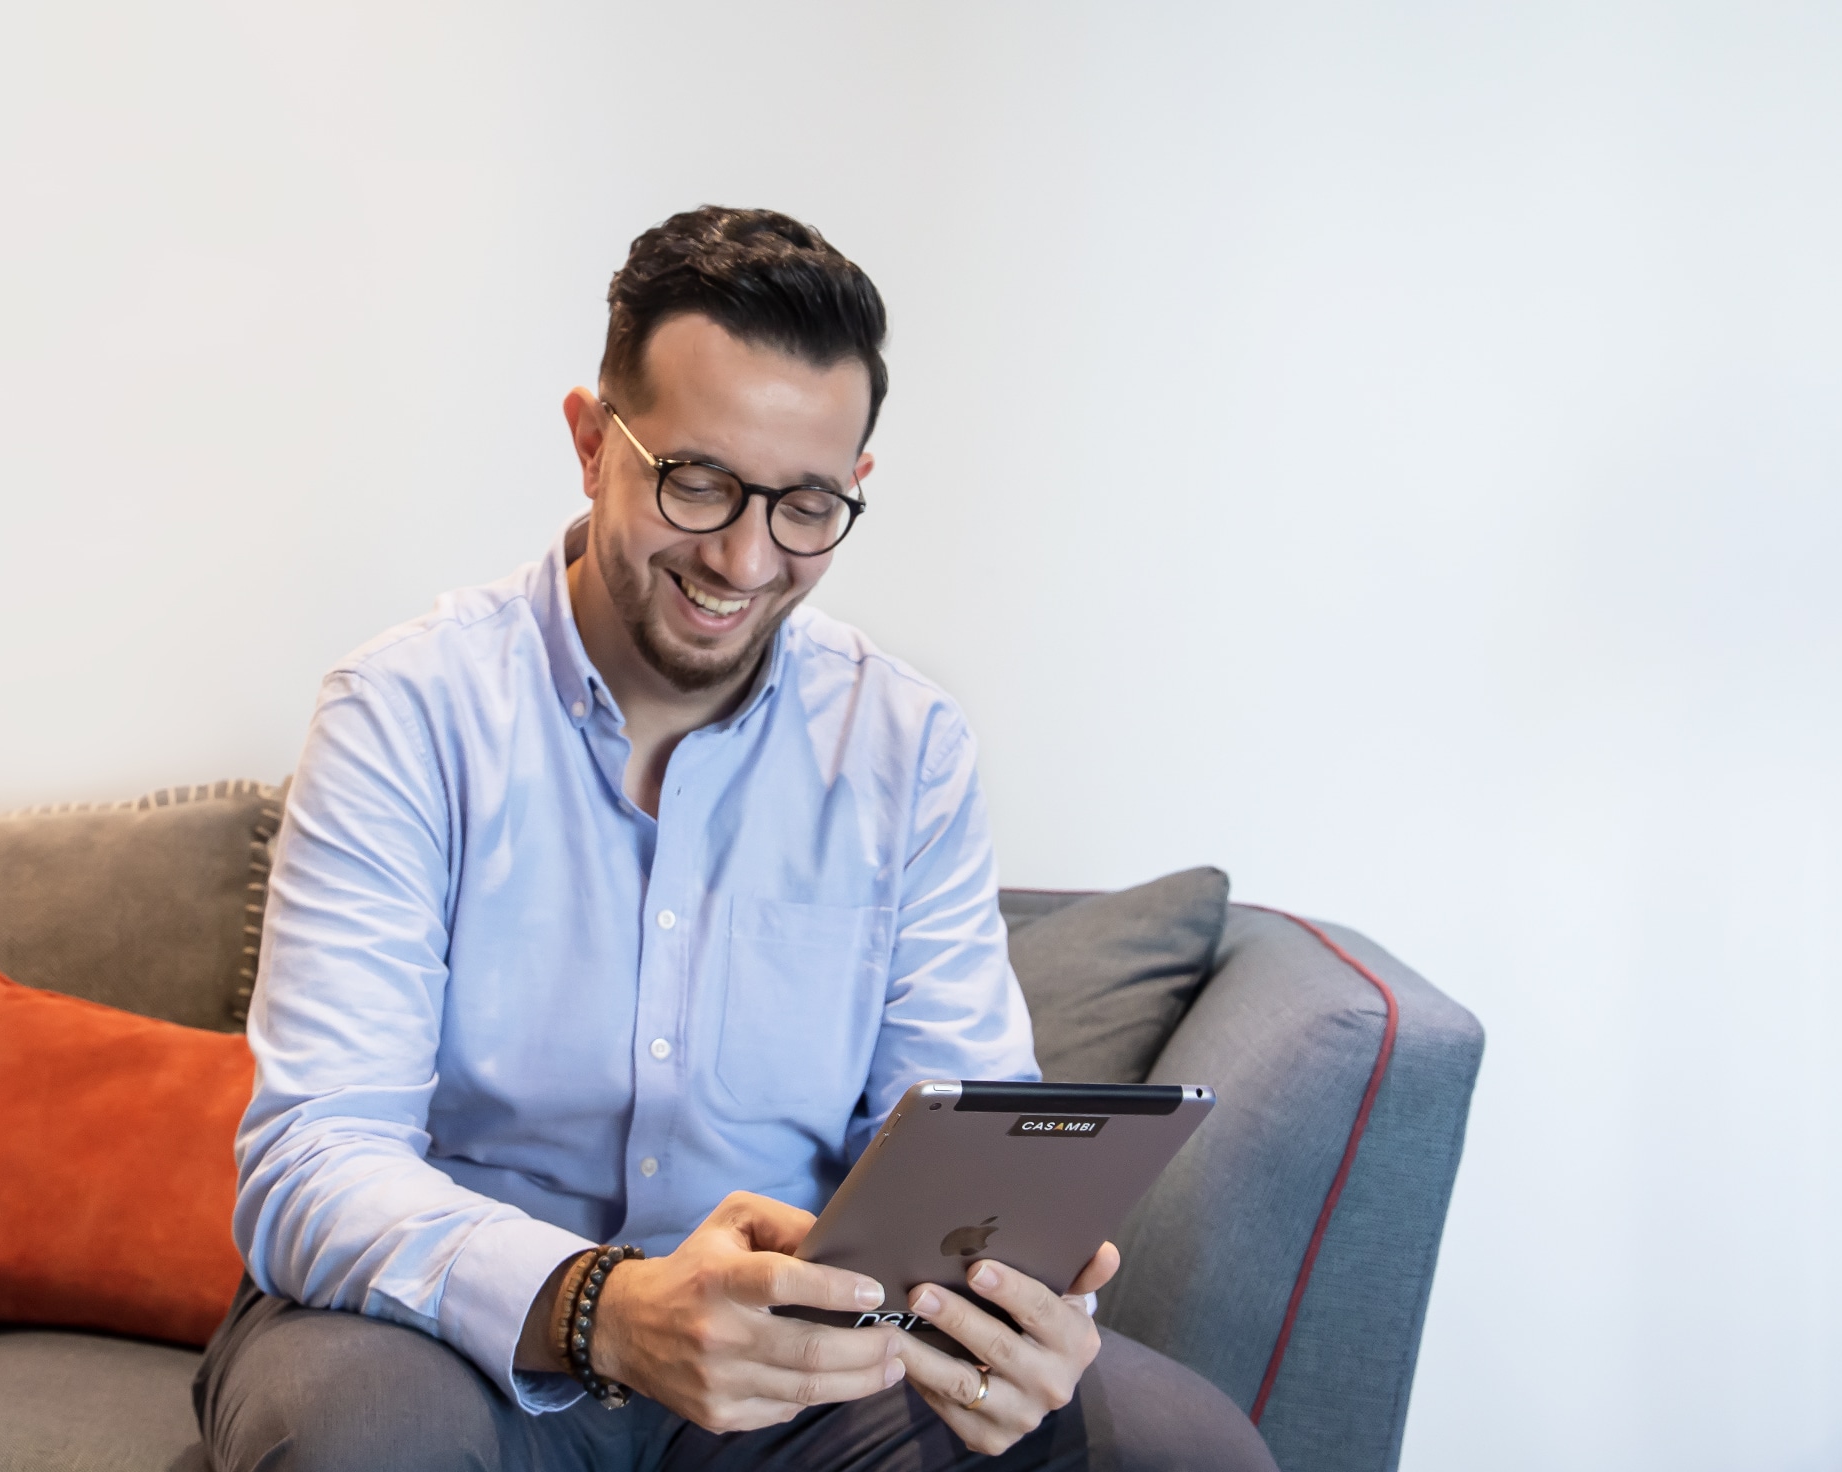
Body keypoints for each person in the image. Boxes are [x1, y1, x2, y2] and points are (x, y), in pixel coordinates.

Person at [194, 207, 1277, 1472]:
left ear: (852, 489)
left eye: (806, 504)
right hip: (456, 1342)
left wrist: (1025, 1309)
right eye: (696, 481)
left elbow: (961, 1129)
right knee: (366, 1444)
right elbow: (311, 1158)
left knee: (1176, 1450)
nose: (744, 557)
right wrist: (603, 1306)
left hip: (801, 1350)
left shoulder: (906, 744)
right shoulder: (407, 711)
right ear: (593, 440)